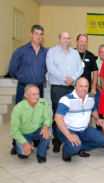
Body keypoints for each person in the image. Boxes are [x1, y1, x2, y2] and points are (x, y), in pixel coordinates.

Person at [8, 25, 48, 155]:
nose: (38, 36)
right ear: (31, 34)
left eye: (41, 34)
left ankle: (37, 139)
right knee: (20, 116)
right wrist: (22, 78)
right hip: (24, 88)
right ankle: (16, 143)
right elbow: (13, 69)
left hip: (38, 88)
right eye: (36, 33)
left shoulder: (45, 52)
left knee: (39, 114)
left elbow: (47, 68)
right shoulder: (21, 51)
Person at [46, 31, 83, 153]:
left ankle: (71, 137)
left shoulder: (75, 53)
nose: (66, 40)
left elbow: (80, 68)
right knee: (58, 114)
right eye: (64, 38)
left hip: (72, 88)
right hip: (58, 87)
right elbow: (51, 68)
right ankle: (56, 141)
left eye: (68, 38)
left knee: (72, 114)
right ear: (59, 39)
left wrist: (72, 78)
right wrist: (64, 78)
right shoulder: (52, 52)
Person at [54, 77, 104, 162]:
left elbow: (93, 109)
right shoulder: (66, 99)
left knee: (103, 140)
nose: (84, 89)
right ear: (75, 87)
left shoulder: (89, 98)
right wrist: (69, 135)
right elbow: (57, 118)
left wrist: (97, 118)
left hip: (84, 129)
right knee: (75, 146)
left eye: (86, 86)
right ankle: (66, 151)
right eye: (81, 86)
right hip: (68, 130)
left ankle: (80, 149)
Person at [10, 84, 52, 163]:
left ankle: (41, 154)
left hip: (37, 131)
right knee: (24, 154)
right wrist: (24, 142)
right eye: (33, 94)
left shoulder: (43, 102)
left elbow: (48, 118)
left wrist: (46, 125)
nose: (36, 97)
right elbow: (14, 131)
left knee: (50, 130)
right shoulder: (18, 108)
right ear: (26, 95)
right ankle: (21, 144)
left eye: (38, 94)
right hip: (24, 134)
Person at [92, 45, 104, 109]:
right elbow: (92, 79)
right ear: (98, 53)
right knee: (100, 110)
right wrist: (101, 90)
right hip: (99, 91)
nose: (103, 54)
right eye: (101, 52)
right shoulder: (94, 63)